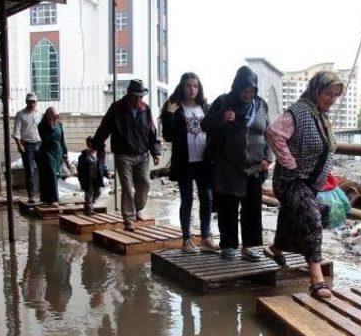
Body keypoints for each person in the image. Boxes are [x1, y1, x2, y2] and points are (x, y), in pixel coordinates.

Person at [264, 71, 344, 298]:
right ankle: (316, 278)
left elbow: (325, 147)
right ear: (316, 90)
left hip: (310, 183)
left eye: (335, 95)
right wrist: (289, 164)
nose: (331, 99)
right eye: (328, 93)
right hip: (291, 180)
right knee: (312, 218)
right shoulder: (298, 112)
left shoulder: (322, 116)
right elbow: (273, 133)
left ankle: (276, 248)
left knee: (292, 219)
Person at [200, 66, 273, 261]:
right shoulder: (223, 102)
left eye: (252, 91)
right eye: (245, 91)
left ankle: (250, 247)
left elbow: (268, 134)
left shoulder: (261, 105)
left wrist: (268, 157)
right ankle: (228, 245)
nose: (248, 95)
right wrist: (222, 118)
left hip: (254, 167)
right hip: (228, 165)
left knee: (252, 208)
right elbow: (205, 125)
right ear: (237, 87)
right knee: (228, 207)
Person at [161, 72, 219, 253]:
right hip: (184, 161)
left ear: (199, 88)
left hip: (204, 160)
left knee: (207, 198)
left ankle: (205, 237)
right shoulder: (174, 107)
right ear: (182, 87)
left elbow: (215, 130)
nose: (192, 89)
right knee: (187, 199)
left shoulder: (205, 107)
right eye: (188, 86)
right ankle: (186, 240)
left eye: (195, 86)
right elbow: (168, 136)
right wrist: (169, 115)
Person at [92, 79, 161, 231]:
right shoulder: (117, 108)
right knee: (127, 188)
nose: (139, 100)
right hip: (123, 155)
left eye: (141, 96)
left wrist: (155, 151)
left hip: (142, 154)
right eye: (136, 96)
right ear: (129, 94)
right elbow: (104, 128)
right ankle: (128, 219)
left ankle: (137, 210)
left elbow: (152, 132)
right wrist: (99, 147)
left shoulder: (145, 109)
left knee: (145, 184)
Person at [13, 92, 42, 203]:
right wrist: (19, 144)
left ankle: (42, 194)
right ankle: (31, 195)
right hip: (27, 145)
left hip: (39, 144)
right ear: (26, 102)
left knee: (42, 169)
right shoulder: (20, 114)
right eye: (30, 101)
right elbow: (16, 131)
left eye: (33, 102)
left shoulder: (39, 114)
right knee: (29, 171)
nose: (31, 104)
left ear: (36, 103)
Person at [37, 107, 68, 207]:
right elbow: (44, 140)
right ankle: (54, 199)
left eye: (57, 116)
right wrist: (50, 128)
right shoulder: (42, 126)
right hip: (47, 152)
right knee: (51, 174)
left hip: (57, 152)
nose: (56, 119)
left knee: (55, 175)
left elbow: (62, 140)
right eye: (54, 116)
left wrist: (65, 153)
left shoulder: (59, 125)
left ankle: (46, 198)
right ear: (48, 116)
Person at [78, 136, 109, 215]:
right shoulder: (83, 156)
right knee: (89, 192)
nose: (91, 145)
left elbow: (103, 165)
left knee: (98, 192)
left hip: (97, 177)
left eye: (92, 143)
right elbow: (80, 168)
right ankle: (89, 209)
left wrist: (106, 173)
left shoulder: (99, 154)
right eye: (89, 143)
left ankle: (89, 203)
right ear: (88, 144)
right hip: (87, 178)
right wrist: (80, 178)